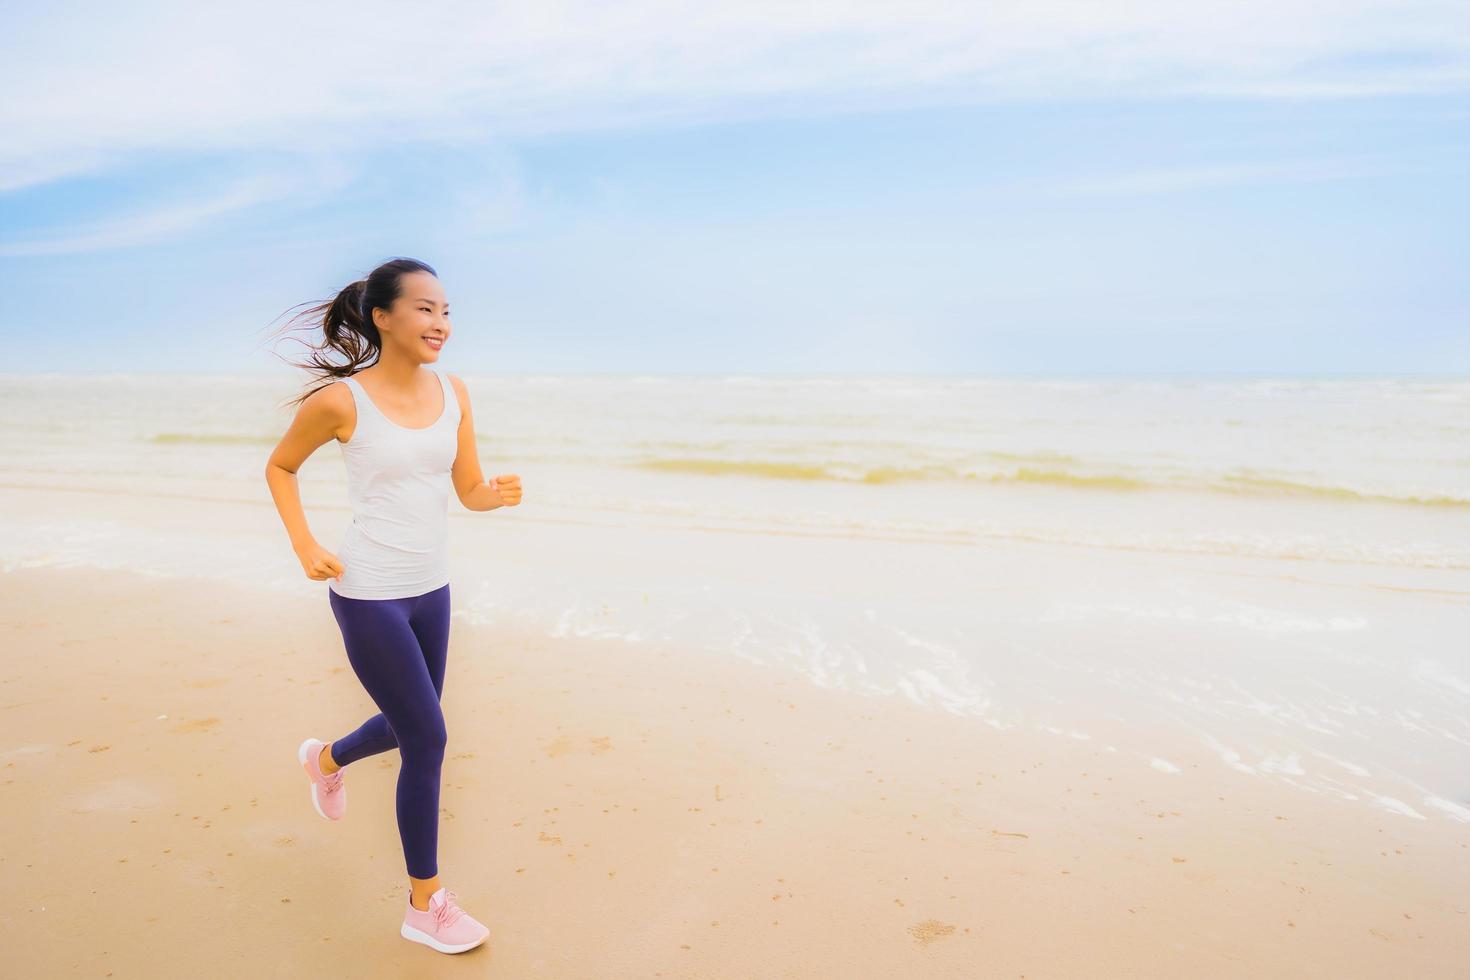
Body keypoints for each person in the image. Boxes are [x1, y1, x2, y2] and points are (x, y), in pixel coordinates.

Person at [263, 256, 522, 955]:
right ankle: (425, 903)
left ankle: (326, 761)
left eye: (446, 311)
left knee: (416, 726)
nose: (441, 323)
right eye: (425, 309)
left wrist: (492, 496)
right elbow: (280, 467)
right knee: (430, 736)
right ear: (383, 316)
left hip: (432, 587)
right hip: (369, 590)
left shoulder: (455, 392)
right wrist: (304, 544)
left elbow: (466, 489)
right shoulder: (342, 401)